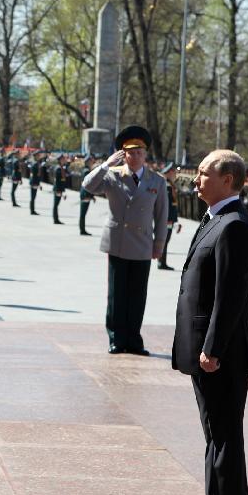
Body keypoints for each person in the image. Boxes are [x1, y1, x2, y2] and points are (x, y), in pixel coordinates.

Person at [172, 149, 248, 495]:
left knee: (225, 432)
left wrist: (214, 348)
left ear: (228, 179)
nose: (196, 179)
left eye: (204, 173)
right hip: (206, 347)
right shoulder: (215, 219)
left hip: (221, 353)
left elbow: (230, 297)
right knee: (213, 429)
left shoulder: (235, 225)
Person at [81, 125, 168, 355]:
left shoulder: (156, 181)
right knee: (117, 295)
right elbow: (87, 185)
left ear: (145, 154)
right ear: (123, 154)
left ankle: (134, 339)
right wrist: (106, 164)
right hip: (118, 242)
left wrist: (159, 244)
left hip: (142, 244)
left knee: (137, 295)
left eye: (139, 152)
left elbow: (161, 216)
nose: (135, 157)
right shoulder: (112, 175)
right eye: (130, 153)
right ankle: (116, 338)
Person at [159, 162, 182, 269]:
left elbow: (173, 205)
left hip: (169, 219)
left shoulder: (170, 185)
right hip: (167, 219)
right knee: (165, 240)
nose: (175, 173)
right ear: (168, 173)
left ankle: (162, 261)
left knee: (166, 240)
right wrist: (169, 219)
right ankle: (161, 262)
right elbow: (167, 205)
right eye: (173, 171)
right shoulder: (167, 187)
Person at [78, 154, 96, 235]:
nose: (93, 162)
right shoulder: (87, 171)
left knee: (83, 213)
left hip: (86, 194)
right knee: (83, 213)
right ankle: (82, 230)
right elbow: (88, 185)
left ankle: (82, 229)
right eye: (91, 160)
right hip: (85, 194)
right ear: (88, 162)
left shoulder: (86, 170)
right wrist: (91, 195)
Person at [53, 152, 69, 225]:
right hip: (58, 189)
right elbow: (57, 181)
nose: (64, 160)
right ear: (60, 160)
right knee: (56, 205)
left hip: (60, 189)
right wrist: (58, 191)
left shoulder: (62, 167)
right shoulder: (58, 169)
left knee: (56, 205)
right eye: (63, 159)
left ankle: (56, 219)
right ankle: (56, 219)